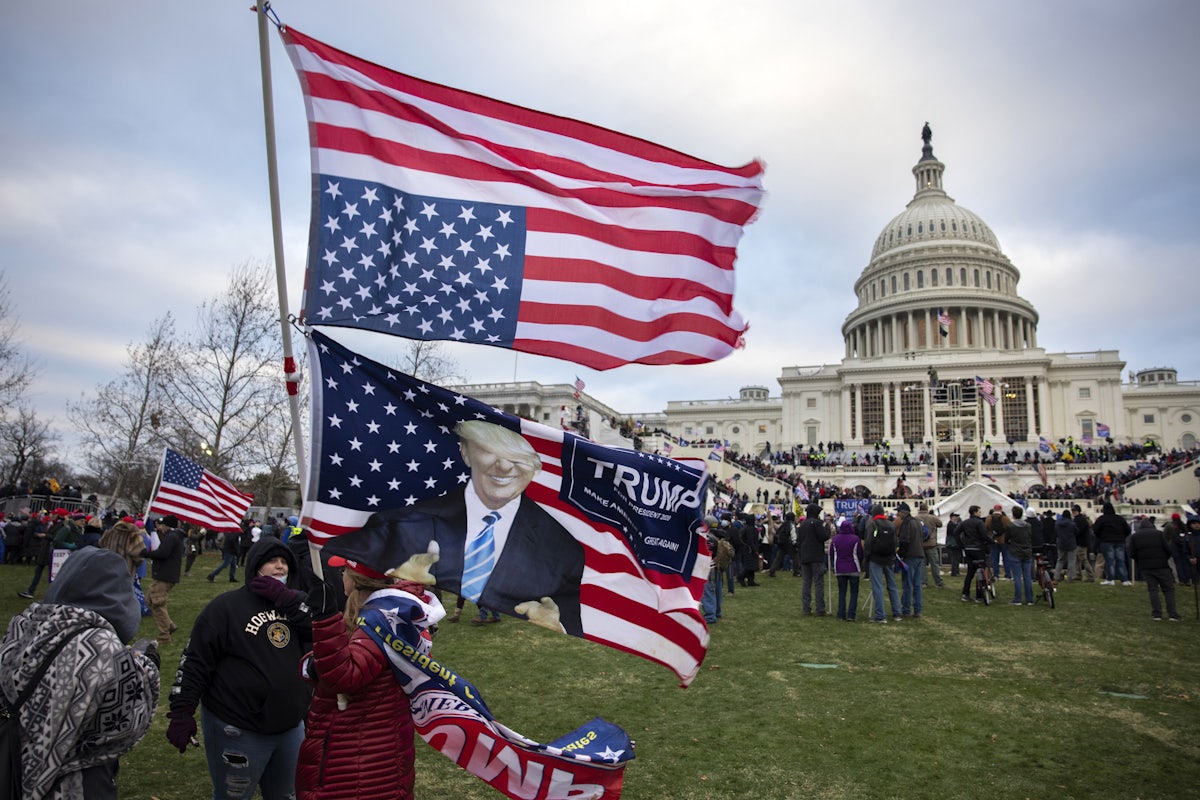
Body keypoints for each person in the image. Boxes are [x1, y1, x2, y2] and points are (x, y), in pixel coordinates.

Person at [324, 420, 585, 636]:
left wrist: (557, 626)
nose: (504, 466)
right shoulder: (407, 522)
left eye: (519, 457)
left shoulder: (563, 549)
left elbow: (576, 618)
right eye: (488, 449)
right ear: (465, 452)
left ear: (536, 467)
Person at [0, 547, 160, 798]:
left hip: (14, 761)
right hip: (69, 782)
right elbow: (123, 725)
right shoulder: (102, 646)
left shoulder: (25, 624)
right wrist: (145, 666)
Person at [166, 537, 314, 800]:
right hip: (238, 726)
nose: (280, 567)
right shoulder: (225, 608)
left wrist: (288, 600)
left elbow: (324, 630)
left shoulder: (296, 604)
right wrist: (182, 711)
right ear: (256, 566)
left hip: (291, 726)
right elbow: (195, 662)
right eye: (271, 561)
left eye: (284, 562)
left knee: (288, 795)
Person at [296, 556, 440, 799]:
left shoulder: (378, 622)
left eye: (344, 570)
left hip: (358, 763)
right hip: (377, 751)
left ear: (355, 579)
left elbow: (345, 677)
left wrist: (325, 618)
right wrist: (313, 664)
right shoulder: (391, 615)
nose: (341, 576)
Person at [1126, 517, 1181, 621]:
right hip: (1162, 565)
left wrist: (1140, 561)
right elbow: (1167, 549)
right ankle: (1172, 614)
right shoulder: (1158, 534)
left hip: (1146, 566)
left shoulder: (1135, 536)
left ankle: (1157, 614)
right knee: (1168, 589)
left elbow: (1132, 552)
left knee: (1153, 590)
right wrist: (1164, 558)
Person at [143, 514, 186, 645]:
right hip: (165, 574)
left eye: (161, 524)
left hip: (165, 575)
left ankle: (164, 635)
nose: (159, 527)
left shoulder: (171, 537)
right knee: (150, 599)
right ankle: (169, 625)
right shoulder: (172, 537)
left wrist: (145, 553)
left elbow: (163, 553)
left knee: (157, 603)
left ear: (167, 525)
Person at [865, 504, 902, 622]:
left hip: (876, 558)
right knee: (892, 586)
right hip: (889, 558)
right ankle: (897, 613)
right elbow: (896, 542)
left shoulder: (872, 524)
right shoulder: (891, 524)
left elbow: (868, 542)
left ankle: (880, 615)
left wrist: (867, 556)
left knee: (878, 586)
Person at [796, 503, 830, 615]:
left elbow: (799, 542)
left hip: (805, 556)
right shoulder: (817, 523)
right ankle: (820, 609)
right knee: (818, 583)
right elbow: (823, 537)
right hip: (816, 556)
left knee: (806, 583)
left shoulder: (802, 525)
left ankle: (806, 608)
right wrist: (827, 529)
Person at [829, 519, 864, 621]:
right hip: (853, 567)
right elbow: (859, 553)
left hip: (839, 568)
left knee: (842, 592)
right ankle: (851, 614)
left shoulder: (835, 539)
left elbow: (831, 553)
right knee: (854, 592)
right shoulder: (855, 539)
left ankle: (841, 614)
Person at [895, 502, 925, 618]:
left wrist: (900, 554)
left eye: (899, 512)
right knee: (917, 585)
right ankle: (918, 610)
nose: (898, 514)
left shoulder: (906, 523)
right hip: (919, 554)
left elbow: (905, 541)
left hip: (910, 556)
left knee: (907, 584)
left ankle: (906, 609)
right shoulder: (917, 522)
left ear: (904, 513)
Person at [1093, 502, 1132, 586]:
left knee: (1109, 561)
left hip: (1106, 541)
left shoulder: (1102, 519)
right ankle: (1124, 580)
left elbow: (1095, 530)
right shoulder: (1120, 519)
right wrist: (1122, 537)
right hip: (1119, 541)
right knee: (1120, 560)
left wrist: (1102, 537)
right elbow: (1128, 530)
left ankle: (1110, 579)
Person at [959, 505, 992, 602]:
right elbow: (984, 535)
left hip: (968, 549)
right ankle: (979, 595)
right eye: (979, 511)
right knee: (981, 570)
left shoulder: (965, 523)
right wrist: (990, 541)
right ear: (975, 512)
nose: (980, 513)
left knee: (970, 572)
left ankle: (965, 593)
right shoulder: (980, 522)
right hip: (978, 548)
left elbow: (956, 532)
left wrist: (962, 544)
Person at [1007, 506, 1034, 605]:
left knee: (1017, 577)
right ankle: (1029, 599)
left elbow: (1007, 538)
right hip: (1026, 551)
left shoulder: (1011, 526)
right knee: (1027, 576)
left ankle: (1018, 599)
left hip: (1015, 552)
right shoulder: (1028, 525)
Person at [917, 503, 945, 588]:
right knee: (934, 564)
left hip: (920, 544)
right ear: (927, 509)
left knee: (922, 565)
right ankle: (938, 582)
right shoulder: (932, 517)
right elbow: (940, 524)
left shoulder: (915, 518)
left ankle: (923, 582)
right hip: (931, 544)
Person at [767, 511, 797, 577]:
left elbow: (778, 532)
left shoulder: (783, 524)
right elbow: (793, 534)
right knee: (795, 558)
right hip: (789, 544)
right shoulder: (791, 525)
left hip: (782, 543)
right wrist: (795, 543)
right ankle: (796, 571)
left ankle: (772, 570)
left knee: (778, 558)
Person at [985, 504, 1011, 580]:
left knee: (994, 559)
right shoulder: (1005, 518)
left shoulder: (989, 518)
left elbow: (986, 528)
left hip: (994, 540)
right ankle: (1008, 575)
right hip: (1003, 540)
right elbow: (1009, 528)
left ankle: (996, 575)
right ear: (1001, 510)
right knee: (1006, 558)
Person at [1072, 504, 1095, 583]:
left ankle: (1090, 576)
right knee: (1078, 560)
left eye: (1074, 511)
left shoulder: (1079, 520)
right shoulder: (1080, 519)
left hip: (1081, 543)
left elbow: (1079, 531)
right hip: (1080, 542)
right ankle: (1078, 574)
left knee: (1083, 560)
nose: (1073, 512)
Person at [1054, 511, 1078, 582]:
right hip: (1071, 543)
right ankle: (1069, 577)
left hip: (1061, 543)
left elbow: (1055, 531)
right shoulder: (1072, 523)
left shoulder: (1057, 523)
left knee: (1060, 560)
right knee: (1071, 561)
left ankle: (1056, 576)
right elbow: (1076, 531)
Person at [944, 511, 963, 577]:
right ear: (951, 517)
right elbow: (955, 532)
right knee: (954, 559)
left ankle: (956, 571)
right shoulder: (950, 524)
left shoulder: (956, 524)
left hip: (956, 544)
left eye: (957, 516)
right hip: (952, 544)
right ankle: (954, 572)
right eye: (955, 516)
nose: (957, 518)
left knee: (957, 558)